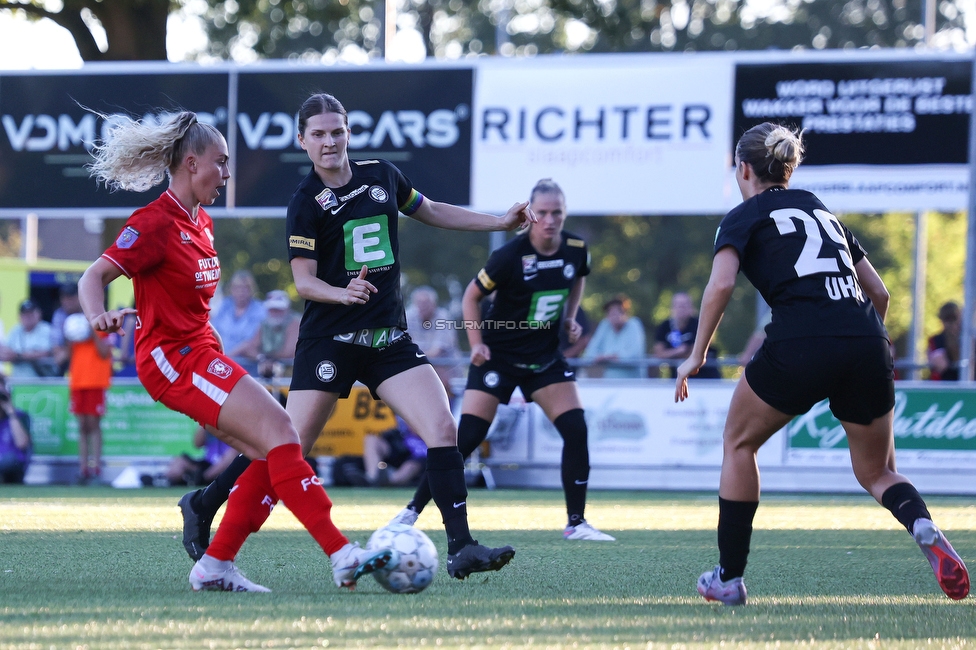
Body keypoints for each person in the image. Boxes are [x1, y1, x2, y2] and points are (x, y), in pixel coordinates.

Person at [177, 92, 533, 581]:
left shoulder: (382, 175)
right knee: (283, 448)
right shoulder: (305, 202)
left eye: (337, 132)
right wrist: (341, 293)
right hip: (331, 341)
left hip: (387, 339)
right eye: (318, 134)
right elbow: (303, 282)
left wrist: (498, 221)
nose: (329, 142)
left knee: (442, 429)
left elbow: (429, 210)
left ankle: (461, 548)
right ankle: (204, 501)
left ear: (349, 133)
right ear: (302, 141)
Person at [79, 110, 395, 593]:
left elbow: (192, 307)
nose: (226, 175)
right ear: (190, 163)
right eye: (220, 164)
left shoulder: (201, 222)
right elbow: (93, 276)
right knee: (282, 433)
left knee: (273, 451)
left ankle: (215, 565)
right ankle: (341, 552)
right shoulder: (154, 222)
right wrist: (97, 314)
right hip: (172, 361)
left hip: (202, 353)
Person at [675, 122, 969, 605]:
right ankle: (921, 523)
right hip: (868, 337)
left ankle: (728, 578)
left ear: (743, 168)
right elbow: (880, 292)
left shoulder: (742, 216)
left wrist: (697, 354)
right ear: (788, 168)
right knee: (878, 473)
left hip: (802, 339)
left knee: (739, 443)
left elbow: (722, 285)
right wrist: (865, 346)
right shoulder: (820, 209)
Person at [390, 178, 614, 541]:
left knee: (576, 429)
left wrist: (570, 317)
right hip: (498, 356)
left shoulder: (576, 248)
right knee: (465, 440)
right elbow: (469, 298)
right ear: (530, 213)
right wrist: (476, 343)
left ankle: (577, 523)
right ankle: (411, 511)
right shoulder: (510, 256)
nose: (550, 219)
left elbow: (577, 281)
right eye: (542, 212)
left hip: (543, 357)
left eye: (557, 212)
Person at [67, 319, 113, 484]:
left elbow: (104, 352)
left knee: (94, 424)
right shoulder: (73, 324)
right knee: (82, 426)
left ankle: (97, 468)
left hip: (96, 381)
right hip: (78, 381)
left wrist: (91, 332)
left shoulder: (103, 325)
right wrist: (70, 337)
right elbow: (66, 355)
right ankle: (83, 469)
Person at [404, 286, 462, 396]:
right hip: (419, 371)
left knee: (438, 371)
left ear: (434, 304)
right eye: (419, 303)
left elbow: (437, 352)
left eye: (426, 303)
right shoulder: (409, 317)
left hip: (447, 374)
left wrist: (413, 355)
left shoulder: (444, 318)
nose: (422, 306)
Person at [210, 270, 266, 375]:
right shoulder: (223, 306)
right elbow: (213, 331)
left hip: (248, 367)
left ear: (251, 289)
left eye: (245, 288)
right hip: (221, 363)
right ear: (231, 289)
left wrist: (227, 357)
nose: (241, 291)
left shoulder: (260, 310)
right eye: (237, 287)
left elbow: (253, 341)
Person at [653, 292, 720, 379]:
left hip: (705, 378)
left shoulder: (699, 325)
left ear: (691, 308)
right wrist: (677, 351)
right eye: (678, 305)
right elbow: (658, 354)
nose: (681, 308)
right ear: (672, 308)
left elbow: (696, 353)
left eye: (685, 305)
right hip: (677, 378)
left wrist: (670, 354)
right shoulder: (665, 326)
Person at [238, 290, 300, 379]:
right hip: (271, 376)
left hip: (291, 376)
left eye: (279, 309)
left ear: (286, 309)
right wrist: (262, 358)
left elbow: (289, 352)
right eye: (272, 309)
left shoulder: (295, 323)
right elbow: (250, 348)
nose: (275, 312)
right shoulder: (264, 324)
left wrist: (267, 358)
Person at [582, 294, 646, 378]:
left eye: (617, 312)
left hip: (632, 384)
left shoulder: (634, 324)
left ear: (625, 313)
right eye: (610, 312)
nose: (613, 316)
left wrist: (609, 357)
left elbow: (634, 354)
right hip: (610, 383)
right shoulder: (605, 325)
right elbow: (589, 353)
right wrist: (603, 357)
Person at [165, 426, 238, 487]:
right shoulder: (209, 422)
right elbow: (197, 444)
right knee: (179, 462)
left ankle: (203, 479)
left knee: (232, 453)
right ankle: (190, 481)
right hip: (207, 463)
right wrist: (205, 421)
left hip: (227, 466)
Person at [1, 300, 57, 378]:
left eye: (31, 313)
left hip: (43, 381)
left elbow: (45, 353)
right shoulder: (15, 331)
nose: (28, 316)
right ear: (19, 316)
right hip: (19, 380)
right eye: (25, 314)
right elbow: (5, 353)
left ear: (39, 313)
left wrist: (18, 356)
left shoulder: (46, 330)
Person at [0, 376, 31, 484]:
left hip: (12, 464)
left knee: (9, 459)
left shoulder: (20, 416)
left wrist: (11, 412)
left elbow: (22, 443)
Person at [51, 282, 83, 374]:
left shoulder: (87, 313)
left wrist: (65, 353)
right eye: (64, 297)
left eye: (70, 297)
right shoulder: (59, 314)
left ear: (79, 297)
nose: (67, 301)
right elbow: (56, 345)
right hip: (67, 361)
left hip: (85, 356)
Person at [927, 301, 961, 381]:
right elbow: (940, 365)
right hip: (944, 384)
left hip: (962, 384)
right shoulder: (936, 340)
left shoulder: (967, 340)